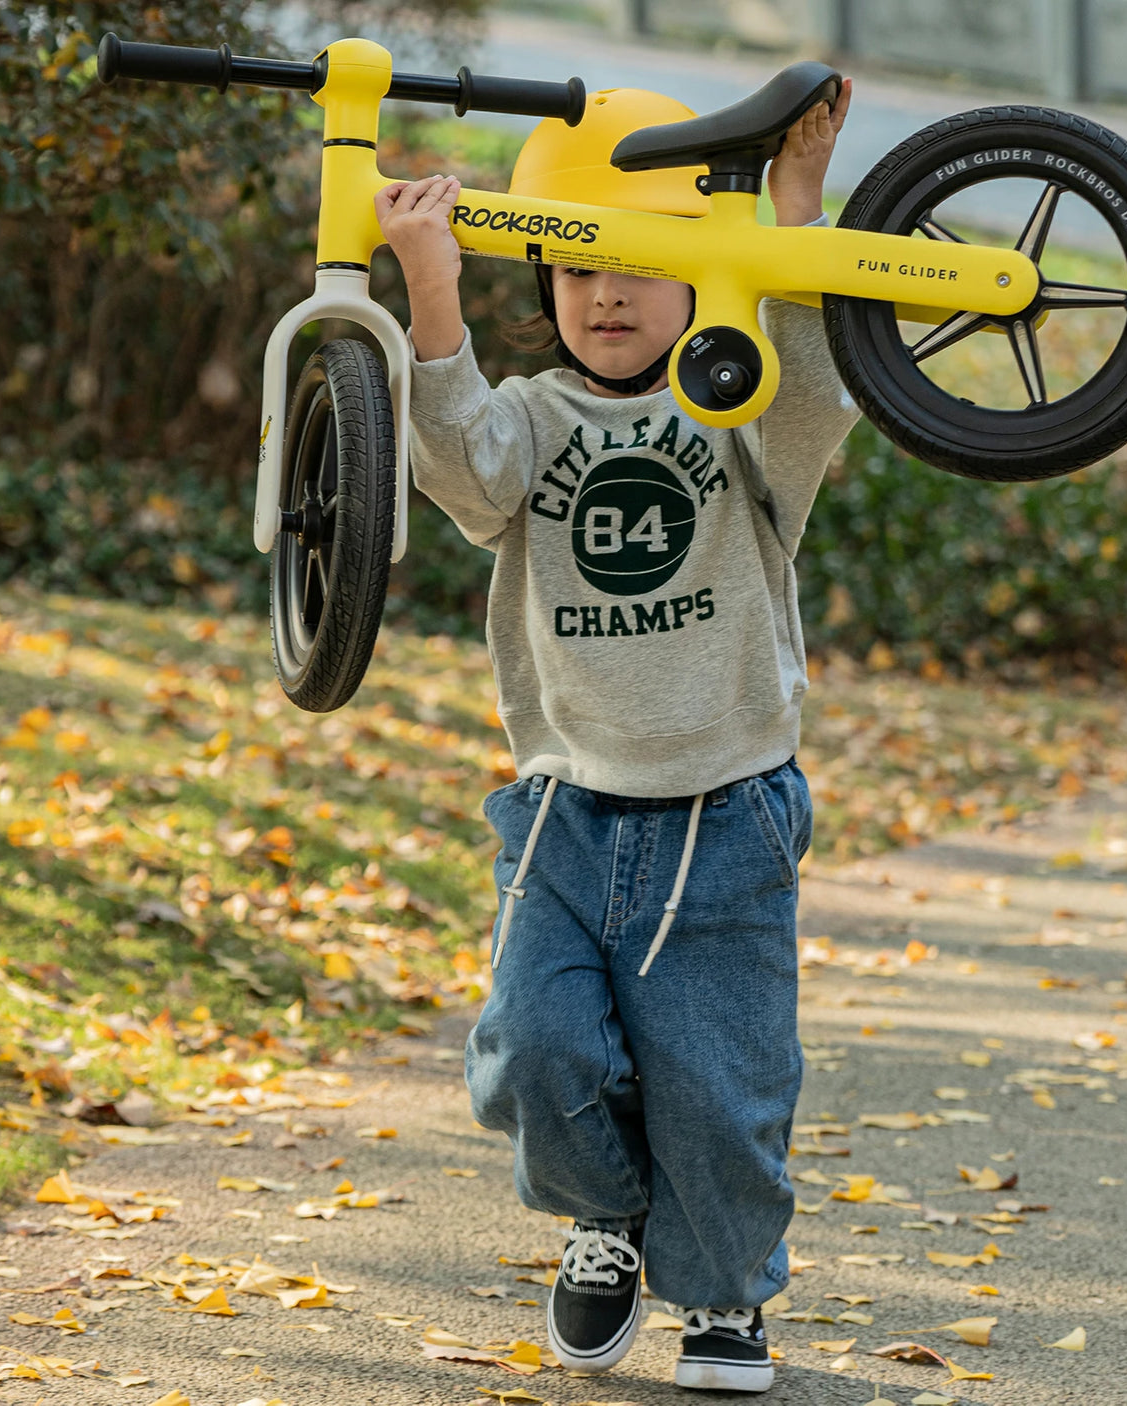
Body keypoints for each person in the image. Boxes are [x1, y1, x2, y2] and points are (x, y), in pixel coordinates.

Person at [375, 75, 856, 1394]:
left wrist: (795, 210)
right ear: (551, 288)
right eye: (583, 272)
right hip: (567, 806)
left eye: (642, 269)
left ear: (697, 284)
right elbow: (460, 467)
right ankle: (605, 1213)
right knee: (531, 1046)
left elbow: (816, 383)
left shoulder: (736, 399)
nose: (608, 298)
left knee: (720, 1084)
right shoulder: (530, 418)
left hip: (724, 807)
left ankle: (722, 1301)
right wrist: (429, 284)